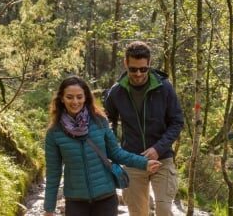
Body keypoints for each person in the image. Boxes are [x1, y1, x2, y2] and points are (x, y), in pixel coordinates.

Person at [44, 76, 162, 216]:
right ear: (62, 99)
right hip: (75, 201)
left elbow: (116, 153)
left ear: (86, 98)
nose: (75, 101)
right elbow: (53, 173)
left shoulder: (99, 121)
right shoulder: (54, 132)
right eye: (69, 97)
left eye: (79, 97)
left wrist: (144, 163)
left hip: (106, 198)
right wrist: (49, 209)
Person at [103, 41, 184, 216]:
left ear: (149, 64)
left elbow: (177, 122)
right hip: (132, 160)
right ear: (126, 63)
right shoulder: (116, 92)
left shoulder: (165, 88)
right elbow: (107, 122)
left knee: (164, 210)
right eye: (133, 69)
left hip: (162, 159)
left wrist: (158, 148)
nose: (138, 74)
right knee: (137, 213)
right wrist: (115, 149)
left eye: (143, 69)